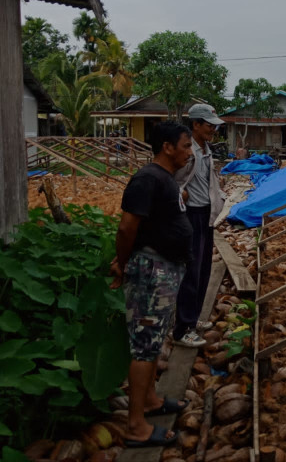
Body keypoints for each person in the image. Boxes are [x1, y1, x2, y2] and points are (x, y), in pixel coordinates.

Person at [109, 121, 194, 448]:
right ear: (167, 147)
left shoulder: (165, 179)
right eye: (185, 146)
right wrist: (122, 263)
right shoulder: (147, 179)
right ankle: (135, 427)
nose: (189, 152)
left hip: (165, 269)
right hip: (151, 271)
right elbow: (126, 228)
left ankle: (150, 401)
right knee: (145, 345)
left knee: (154, 338)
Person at [172, 104, 227, 348]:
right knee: (191, 272)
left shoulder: (205, 149)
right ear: (195, 124)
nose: (213, 129)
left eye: (214, 126)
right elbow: (170, 176)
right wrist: (179, 194)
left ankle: (193, 319)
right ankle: (182, 329)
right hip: (190, 215)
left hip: (206, 214)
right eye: (209, 125)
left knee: (203, 269)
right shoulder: (186, 150)